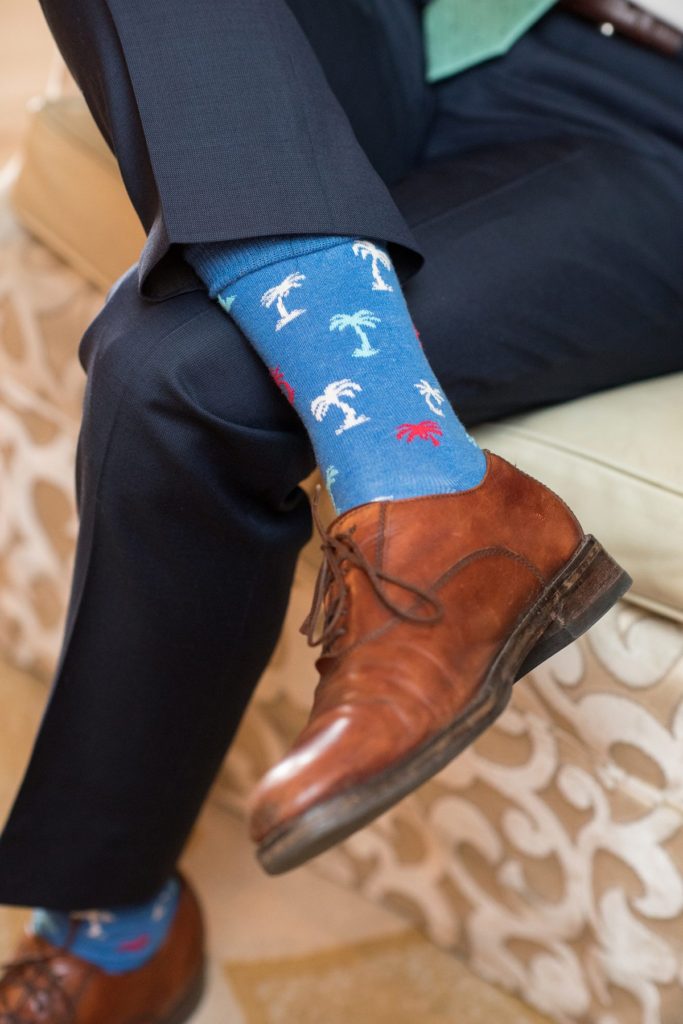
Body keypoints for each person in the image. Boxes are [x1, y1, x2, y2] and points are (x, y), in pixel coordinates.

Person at [0, 0, 681, 1020]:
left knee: (170, 372)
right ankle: (413, 475)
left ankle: (115, 922)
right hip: (458, 27)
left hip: (653, 131)